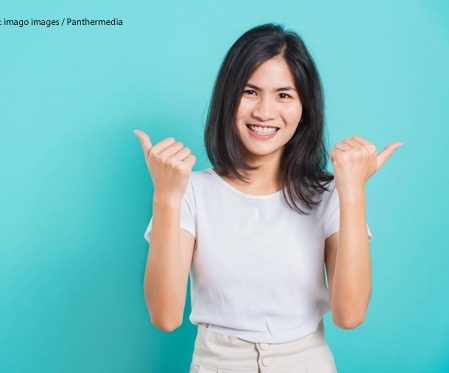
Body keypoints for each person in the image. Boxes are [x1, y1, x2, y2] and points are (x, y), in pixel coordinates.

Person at [134, 23, 401, 373]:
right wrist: (166, 198)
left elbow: (349, 316)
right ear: (228, 98)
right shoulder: (190, 192)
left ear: (305, 107)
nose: (264, 111)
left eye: (284, 95)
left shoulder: (330, 194)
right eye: (250, 91)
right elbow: (165, 317)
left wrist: (352, 192)